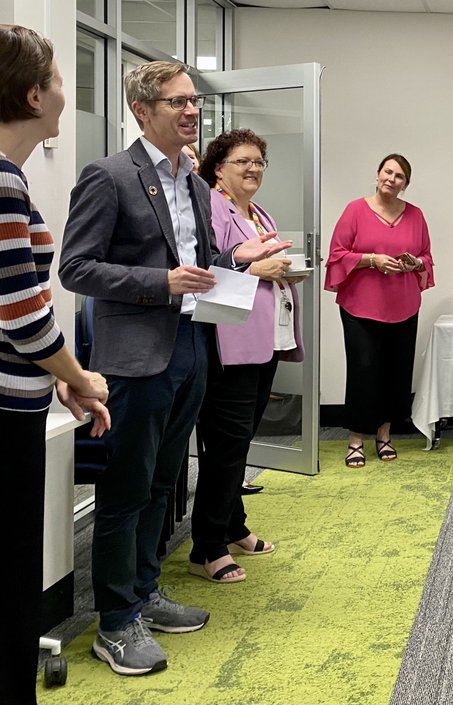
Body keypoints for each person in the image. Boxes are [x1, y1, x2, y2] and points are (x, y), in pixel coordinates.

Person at [59, 60, 290, 676]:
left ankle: (146, 591)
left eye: (194, 101)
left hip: (191, 345)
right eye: (178, 102)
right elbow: (76, 269)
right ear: (143, 110)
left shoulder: (191, 182)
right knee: (127, 488)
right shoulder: (109, 176)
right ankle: (114, 621)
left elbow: (205, 258)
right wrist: (159, 282)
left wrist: (244, 254)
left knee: (165, 482)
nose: (192, 111)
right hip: (135, 356)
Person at [0, 24, 111, 704]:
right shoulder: (4, 185)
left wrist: (57, 378)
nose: (68, 97)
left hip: (21, 396)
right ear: (34, 92)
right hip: (6, 412)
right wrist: (79, 375)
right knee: (12, 578)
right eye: (62, 82)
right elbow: (23, 315)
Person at [188, 128, 302, 583]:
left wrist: (282, 272)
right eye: (243, 161)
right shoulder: (211, 206)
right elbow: (207, 264)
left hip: (264, 340)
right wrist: (255, 267)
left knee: (240, 442)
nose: (253, 168)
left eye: (259, 161)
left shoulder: (257, 211)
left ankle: (233, 526)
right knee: (227, 445)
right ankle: (206, 548)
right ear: (219, 167)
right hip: (229, 341)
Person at [325, 154, 434, 467]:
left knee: (396, 372)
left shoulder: (416, 215)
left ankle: (384, 435)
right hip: (360, 307)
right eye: (388, 172)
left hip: (403, 306)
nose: (392, 179)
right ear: (377, 175)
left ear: (406, 184)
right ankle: (357, 438)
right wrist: (371, 259)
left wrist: (416, 263)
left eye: (400, 176)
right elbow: (336, 255)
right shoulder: (355, 210)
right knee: (363, 370)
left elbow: (426, 256)